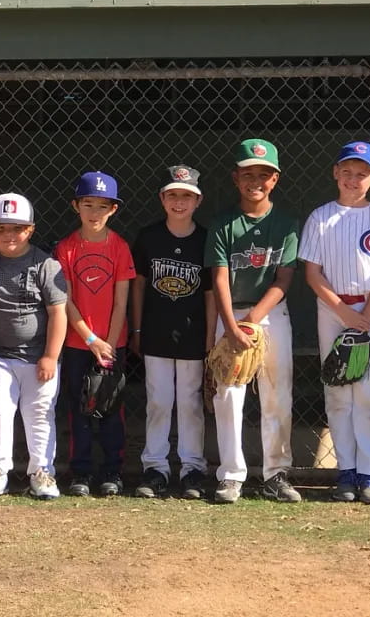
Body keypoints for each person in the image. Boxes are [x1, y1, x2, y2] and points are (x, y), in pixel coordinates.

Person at [299, 142, 370, 505]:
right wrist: (344, 315)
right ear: (335, 173)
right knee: (339, 389)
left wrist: (364, 317)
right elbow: (312, 273)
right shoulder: (320, 216)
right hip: (333, 310)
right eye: (347, 171)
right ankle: (345, 471)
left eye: (362, 173)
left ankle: (368, 471)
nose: (353, 178)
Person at [204, 138, 300, 504]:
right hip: (230, 313)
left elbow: (283, 281)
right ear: (235, 178)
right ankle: (231, 475)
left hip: (270, 314)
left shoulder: (287, 223)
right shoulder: (223, 224)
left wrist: (252, 321)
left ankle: (276, 473)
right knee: (228, 396)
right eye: (248, 173)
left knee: (277, 395)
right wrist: (230, 326)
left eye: (263, 174)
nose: (255, 180)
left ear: (274, 179)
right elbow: (218, 280)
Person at [130, 166, 215, 499]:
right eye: (173, 195)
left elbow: (210, 292)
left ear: (198, 201)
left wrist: (210, 337)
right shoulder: (149, 237)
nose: (179, 202)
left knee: (191, 403)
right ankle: (156, 468)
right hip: (156, 331)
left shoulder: (205, 239)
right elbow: (138, 286)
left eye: (187, 196)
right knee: (160, 401)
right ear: (162, 199)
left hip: (193, 334)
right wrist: (136, 328)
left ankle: (193, 468)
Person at [0, 193, 67, 500]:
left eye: (16, 228)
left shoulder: (45, 264)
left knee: (39, 412)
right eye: (1, 228)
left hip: (39, 357)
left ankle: (42, 472)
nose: (9, 235)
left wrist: (51, 356)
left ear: (30, 230)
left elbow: (58, 313)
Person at [55, 171, 135, 497]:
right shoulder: (66, 248)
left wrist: (110, 345)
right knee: (79, 410)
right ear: (76, 206)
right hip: (78, 343)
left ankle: (113, 471)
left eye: (103, 206)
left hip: (113, 344)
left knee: (112, 408)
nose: (95, 212)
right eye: (88, 204)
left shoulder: (120, 247)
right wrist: (91, 340)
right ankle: (81, 472)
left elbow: (121, 301)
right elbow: (66, 300)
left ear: (113, 210)